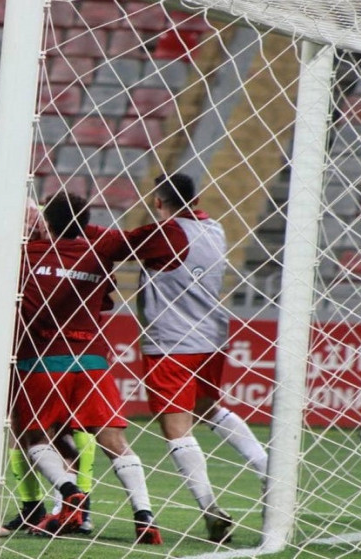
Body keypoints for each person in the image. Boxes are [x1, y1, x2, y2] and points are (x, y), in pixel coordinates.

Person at [87, 173, 268, 544]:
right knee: (207, 407)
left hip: (171, 341)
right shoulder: (214, 227)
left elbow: (112, 244)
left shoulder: (165, 233)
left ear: (157, 201)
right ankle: (268, 469)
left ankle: (209, 507)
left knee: (175, 426)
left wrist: (69, 222)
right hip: (212, 338)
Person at [13, 191, 162, 544]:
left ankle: (69, 493)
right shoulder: (97, 253)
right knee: (114, 439)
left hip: (42, 360)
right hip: (92, 360)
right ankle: (144, 515)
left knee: (35, 436)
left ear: (47, 222)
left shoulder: (24, 254)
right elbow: (104, 301)